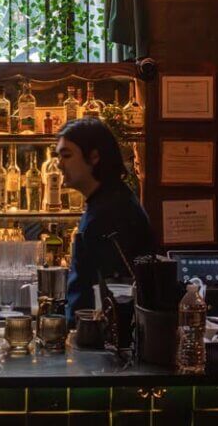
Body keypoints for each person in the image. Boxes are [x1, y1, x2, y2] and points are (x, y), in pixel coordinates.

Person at [54, 118, 155, 322]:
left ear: (94, 157)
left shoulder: (110, 213)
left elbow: (111, 295)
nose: (59, 164)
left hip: (99, 341)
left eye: (67, 155)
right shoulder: (110, 199)